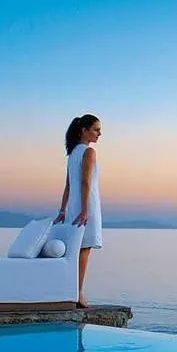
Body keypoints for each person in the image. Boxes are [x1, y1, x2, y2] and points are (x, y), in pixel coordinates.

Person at [55, 114, 102, 308]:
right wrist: (85, 210)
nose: (99, 134)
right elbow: (85, 182)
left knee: (76, 250)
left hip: (74, 206)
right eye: (96, 130)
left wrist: (63, 210)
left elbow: (68, 185)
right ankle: (78, 293)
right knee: (84, 249)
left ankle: (71, 291)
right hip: (86, 205)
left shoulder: (73, 153)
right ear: (84, 130)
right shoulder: (88, 152)